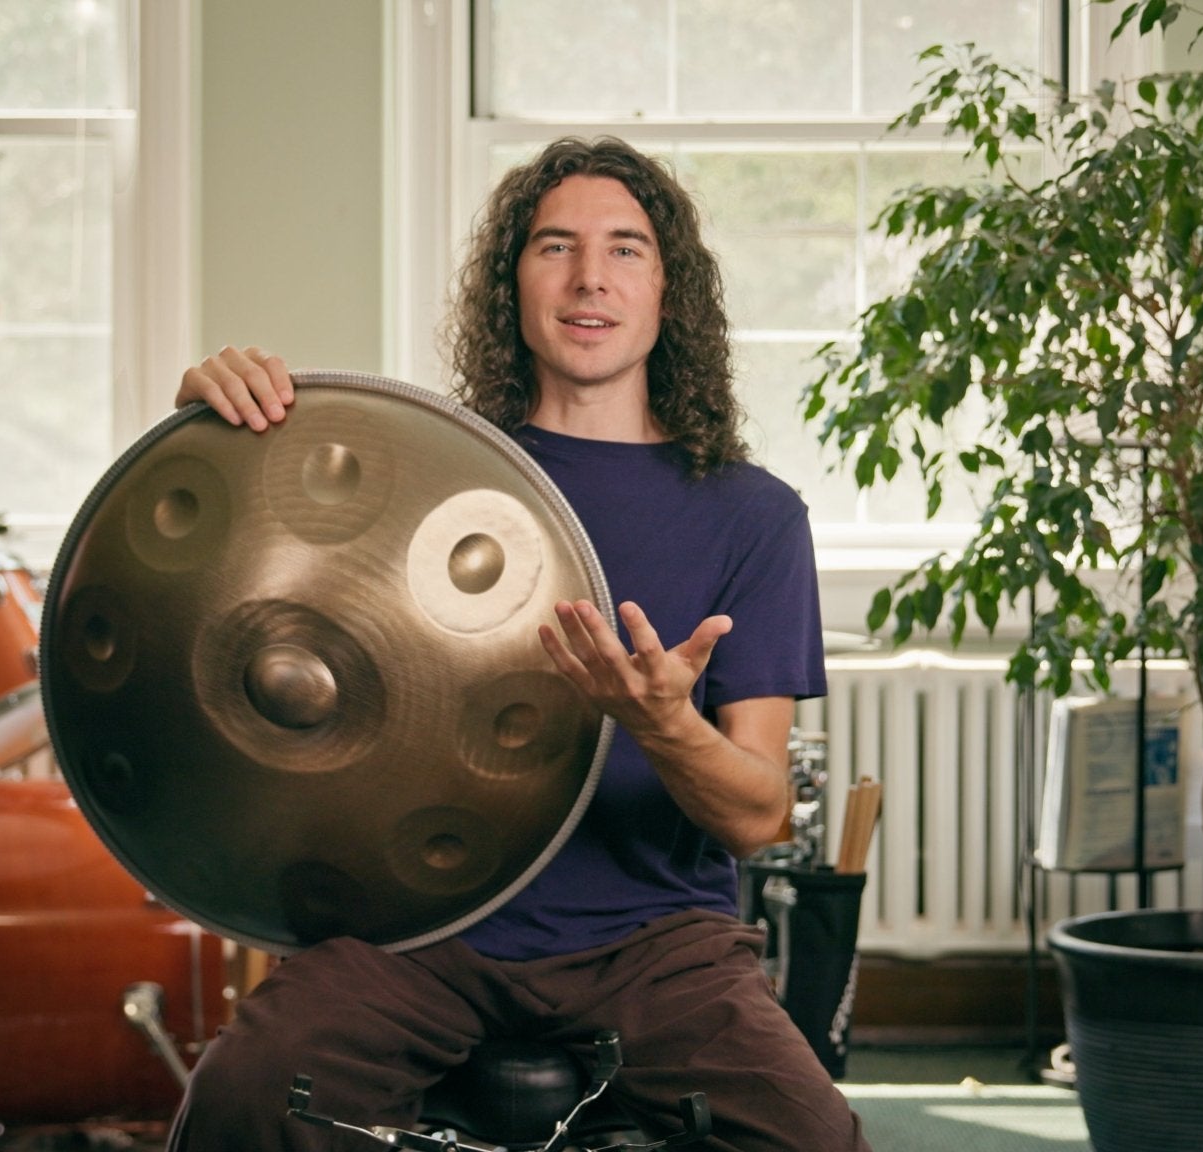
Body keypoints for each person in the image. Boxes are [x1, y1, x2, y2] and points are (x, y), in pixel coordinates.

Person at [166, 136, 868, 1152]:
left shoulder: (752, 516)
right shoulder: (416, 465)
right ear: (512, 284)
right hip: (422, 927)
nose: (590, 279)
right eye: (554, 247)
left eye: (625, 249)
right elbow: (250, 589)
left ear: (668, 292)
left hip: (655, 942)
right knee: (241, 1098)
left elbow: (757, 817)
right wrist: (211, 421)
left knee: (814, 1140)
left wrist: (663, 725)